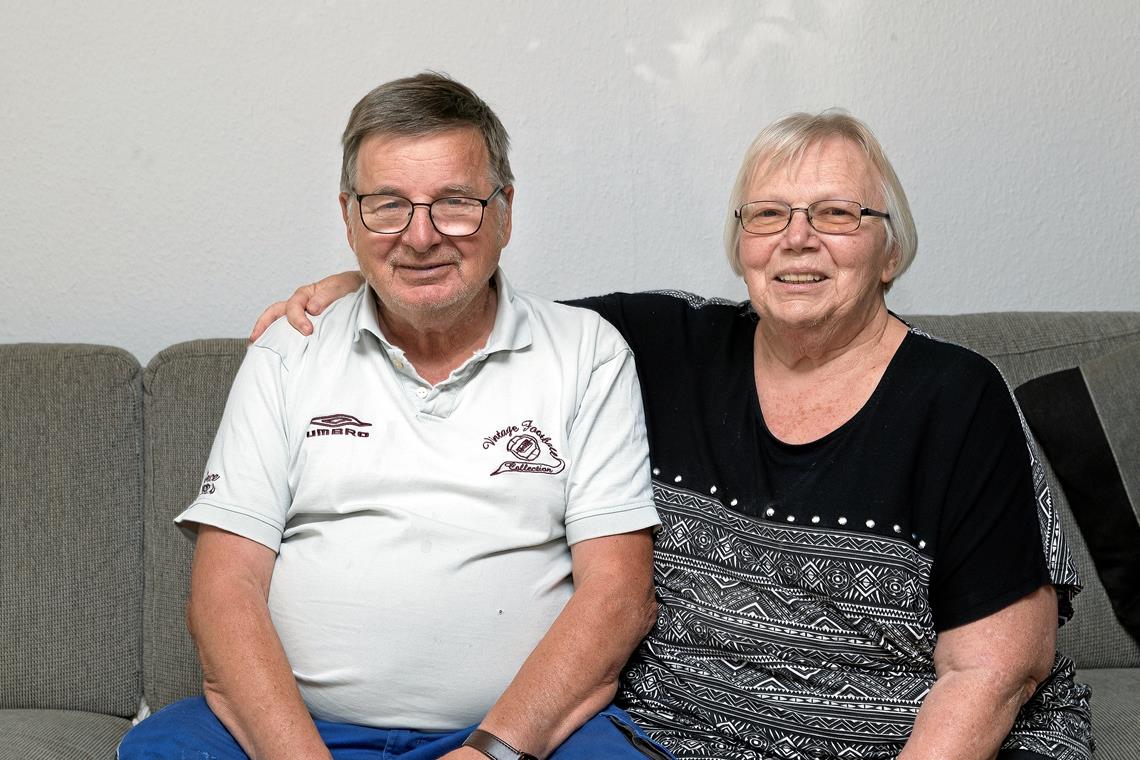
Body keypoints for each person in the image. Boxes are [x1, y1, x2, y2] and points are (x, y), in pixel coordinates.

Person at [260, 110, 1094, 759]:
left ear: (889, 250)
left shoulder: (956, 397)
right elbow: (479, 310)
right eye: (768, 214)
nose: (797, 238)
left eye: (837, 212)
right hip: (667, 743)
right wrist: (370, 282)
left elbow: (993, 671)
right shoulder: (661, 347)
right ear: (740, 247)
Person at [118, 73, 672, 760]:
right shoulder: (290, 353)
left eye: (455, 203)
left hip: (519, 736)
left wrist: (490, 753)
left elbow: (617, 592)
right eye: (388, 206)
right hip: (299, 733)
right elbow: (224, 590)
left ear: (505, 210)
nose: (421, 236)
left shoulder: (587, 352)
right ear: (348, 217)